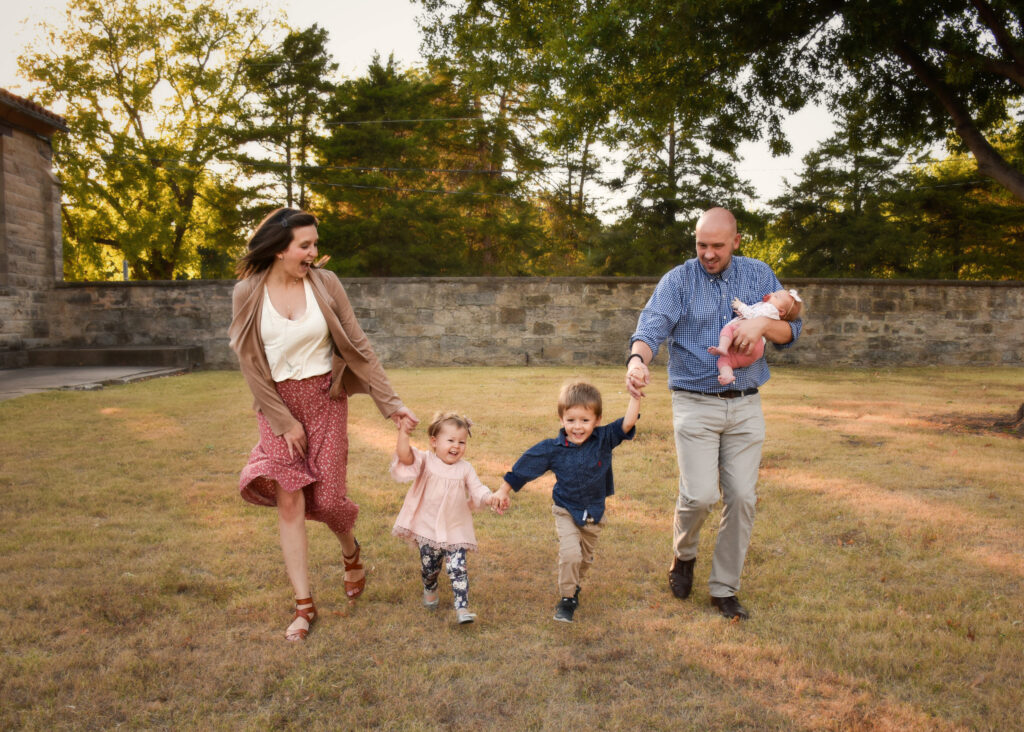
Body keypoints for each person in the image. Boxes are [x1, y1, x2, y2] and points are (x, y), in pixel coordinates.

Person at [228, 206, 418, 642]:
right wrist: (282, 420)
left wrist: (391, 405)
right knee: (290, 500)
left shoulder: (325, 284)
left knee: (330, 501)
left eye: (315, 243)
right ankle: (304, 606)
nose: (314, 252)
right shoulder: (248, 293)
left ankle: (351, 552)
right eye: (305, 245)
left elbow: (358, 347)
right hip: (276, 407)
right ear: (279, 250)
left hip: (325, 400)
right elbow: (250, 364)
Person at [625, 207, 802, 621]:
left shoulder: (758, 275)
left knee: (742, 497)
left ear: (736, 242)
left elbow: (791, 329)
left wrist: (759, 326)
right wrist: (638, 360)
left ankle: (724, 589)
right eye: (701, 245)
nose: (707, 253)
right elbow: (651, 326)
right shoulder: (679, 280)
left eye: (717, 246)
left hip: (745, 403)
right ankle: (683, 555)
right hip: (694, 401)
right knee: (700, 495)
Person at [493, 381, 640, 623]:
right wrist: (503, 490)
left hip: (594, 512)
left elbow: (628, 423)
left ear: (597, 420)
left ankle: (575, 584)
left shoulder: (604, 439)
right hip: (566, 510)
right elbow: (525, 467)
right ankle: (567, 598)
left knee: (583, 560)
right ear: (561, 419)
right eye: (571, 420)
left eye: (585, 420)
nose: (577, 427)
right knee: (570, 555)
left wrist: (635, 397)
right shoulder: (553, 449)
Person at [391, 411, 503, 624]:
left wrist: (490, 498)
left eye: (462, 442)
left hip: (454, 528)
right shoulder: (426, 461)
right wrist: (403, 433)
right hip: (428, 528)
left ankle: (462, 608)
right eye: (450, 440)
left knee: (458, 567)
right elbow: (405, 456)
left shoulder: (465, 469)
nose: (457, 446)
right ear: (434, 441)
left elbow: (478, 489)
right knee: (429, 567)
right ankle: (430, 586)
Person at [708, 289, 804, 386]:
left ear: (781, 311)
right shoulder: (772, 313)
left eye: (776, 296)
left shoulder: (770, 308)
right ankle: (727, 375)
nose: (771, 293)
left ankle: (723, 347)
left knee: (728, 329)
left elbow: (753, 315)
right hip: (755, 351)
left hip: (751, 341)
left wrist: (740, 306)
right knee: (725, 360)